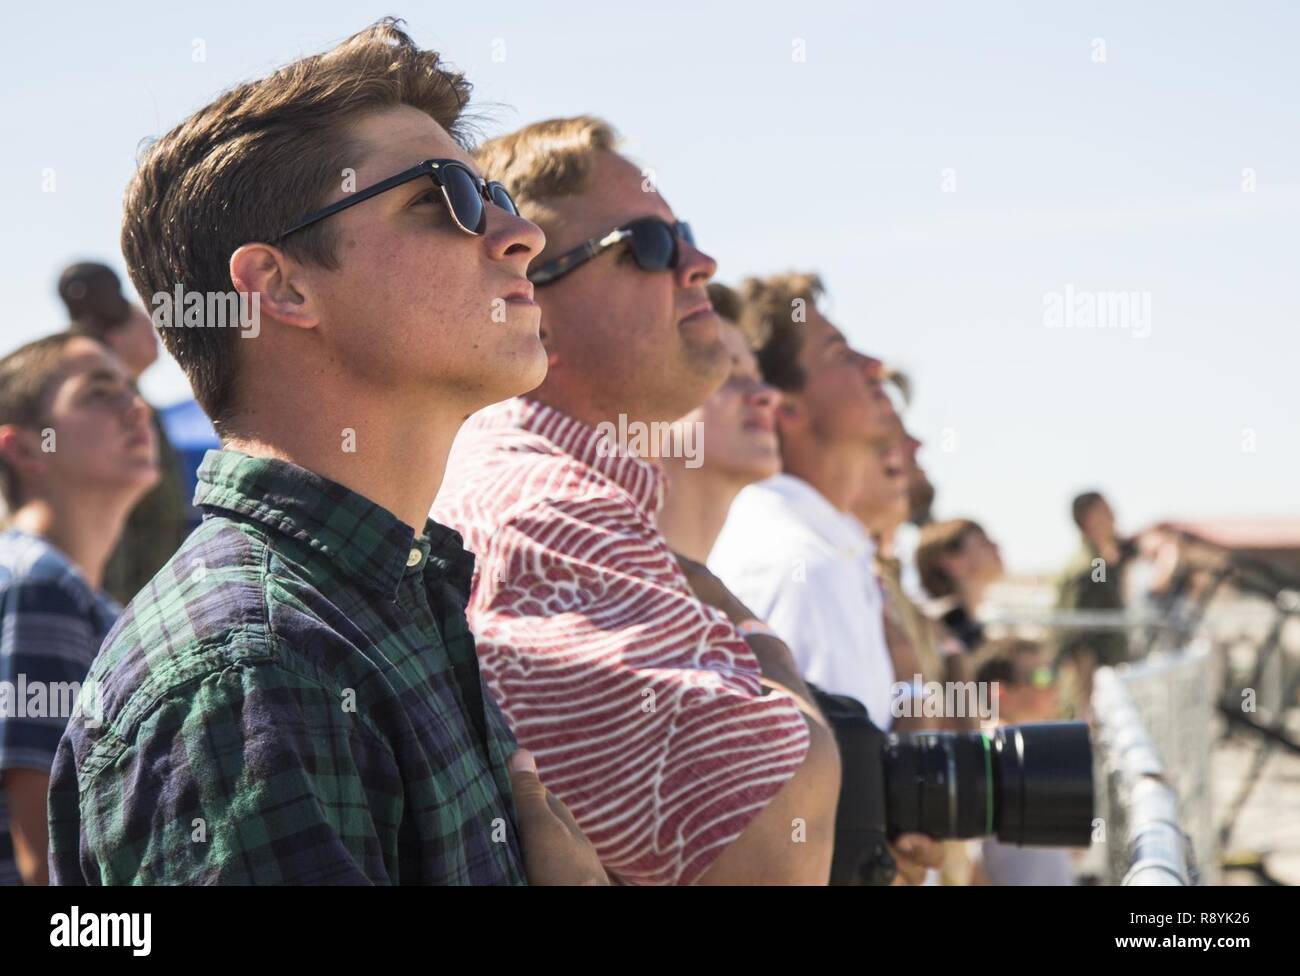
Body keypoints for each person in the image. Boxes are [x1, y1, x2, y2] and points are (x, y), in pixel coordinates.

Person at [48, 19, 604, 886]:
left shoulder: (394, 593)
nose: (519, 232)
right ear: (281, 285)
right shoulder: (252, 675)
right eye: (444, 197)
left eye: (493, 191)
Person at [436, 117, 848, 885]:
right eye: (650, 246)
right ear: (535, 307)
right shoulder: (542, 512)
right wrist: (760, 640)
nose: (700, 264)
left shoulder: (558, 489)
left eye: (683, 234)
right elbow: (771, 844)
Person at [709, 273, 901, 731]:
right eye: (840, 353)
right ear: (786, 407)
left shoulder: (833, 552)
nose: (874, 365)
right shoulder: (797, 567)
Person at [0, 333, 159, 884]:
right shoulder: (41, 585)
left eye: (129, 388)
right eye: (97, 392)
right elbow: (44, 860)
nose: (134, 405)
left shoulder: (57, 587)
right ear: (24, 449)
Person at [56, 261, 190, 605]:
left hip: (151, 598)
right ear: (114, 338)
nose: (156, 337)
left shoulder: (137, 407)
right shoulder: (100, 413)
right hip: (120, 605)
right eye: (145, 329)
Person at [969, 638, 1075, 885]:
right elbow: (965, 860)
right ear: (1000, 693)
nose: (1053, 686)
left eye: (1053, 673)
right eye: (1041, 677)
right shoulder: (988, 752)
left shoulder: (1033, 753)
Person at [1054, 491, 1138, 715]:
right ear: (1091, 518)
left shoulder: (1097, 563)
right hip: (1091, 692)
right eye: (1107, 512)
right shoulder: (1090, 569)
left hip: (1098, 686)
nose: (1114, 518)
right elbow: (1080, 640)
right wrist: (1085, 703)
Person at [915, 518, 1004, 655]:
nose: (996, 546)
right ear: (951, 561)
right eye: (983, 543)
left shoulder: (967, 625)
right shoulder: (943, 627)